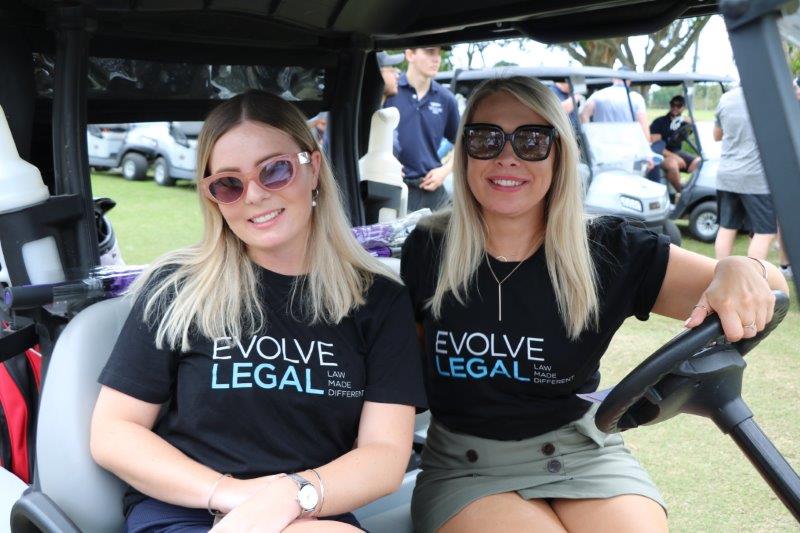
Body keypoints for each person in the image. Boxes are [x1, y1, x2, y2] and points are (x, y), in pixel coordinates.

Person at [401, 76, 788, 533]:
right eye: (485, 138)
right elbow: (406, 371)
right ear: (464, 152)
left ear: (559, 152)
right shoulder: (430, 247)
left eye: (531, 140)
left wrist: (742, 268)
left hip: (580, 452)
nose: (507, 156)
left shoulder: (607, 250)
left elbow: (769, 283)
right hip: (465, 465)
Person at [90, 90, 427, 532]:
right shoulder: (176, 287)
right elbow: (114, 432)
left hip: (311, 511)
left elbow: (384, 455)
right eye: (229, 183)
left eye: (274, 171)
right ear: (213, 197)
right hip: (187, 513)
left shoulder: (377, 301)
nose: (253, 195)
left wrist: (290, 497)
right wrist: (232, 494)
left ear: (314, 169)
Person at [384, 47, 460, 211]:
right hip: (394, 188)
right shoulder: (390, 92)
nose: (437, 59)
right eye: (430, 52)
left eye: (439, 53)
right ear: (410, 55)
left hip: (431, 191)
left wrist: (444, 171)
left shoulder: (447, 99)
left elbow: (465, 143)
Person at [713, 85, 777, 261]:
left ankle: (720, 277)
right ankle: (753, 278)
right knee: (765, 232)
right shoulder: (768, 98)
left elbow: (717, 135)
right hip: (755, 178)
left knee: (726, 227)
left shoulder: (726, 99)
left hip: (726, 175)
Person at [649, 95, 701, 193]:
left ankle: (691, 189)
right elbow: (656, 146)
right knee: (673, 164)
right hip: (661, 155)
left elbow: (697, 126)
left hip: (677, 152)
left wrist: (686, 119)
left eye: (679, 106)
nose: (675, 108)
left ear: (683, 107)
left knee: (699, 162)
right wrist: (675, 157)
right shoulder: (659, 122)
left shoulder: (683, 122)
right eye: (673, 105)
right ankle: (681, 194)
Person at [580, 70, 649, 141]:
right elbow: (643, 124)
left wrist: (589, 137)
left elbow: (583, 114)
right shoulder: (636, 98)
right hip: (628, 144)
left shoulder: (598, 95)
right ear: (629, 81)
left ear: (613, 79)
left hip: (602, 143)